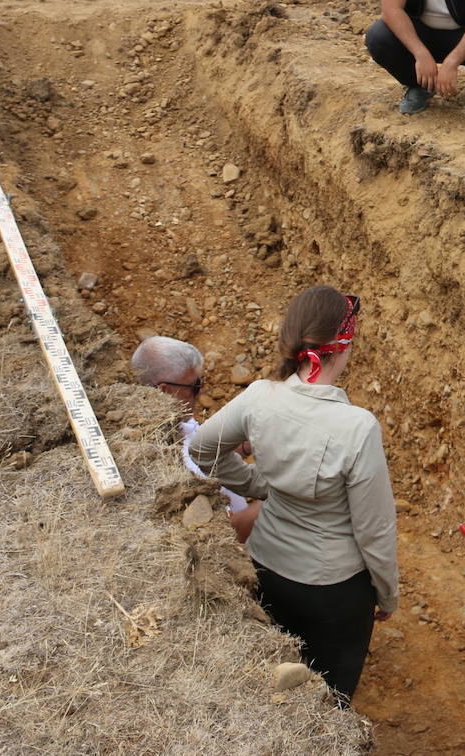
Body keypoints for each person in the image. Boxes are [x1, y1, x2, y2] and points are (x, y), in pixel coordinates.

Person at [189, 287, 398, 705]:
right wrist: (387, 592)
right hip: (333, 589)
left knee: (271, 685)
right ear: (345, 344)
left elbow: (202, 448)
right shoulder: (357, 427)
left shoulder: (260, 397)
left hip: (265, 567)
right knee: (330, 698)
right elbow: (373, 530)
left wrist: (259, 486)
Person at [130, 336, 260, 543]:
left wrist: (244, 447)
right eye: (194, 386)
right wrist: (283, 503)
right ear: (165, 390)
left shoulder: (176, 424)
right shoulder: (173, 466)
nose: (201, 392)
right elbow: (225, 532)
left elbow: (206, 463)